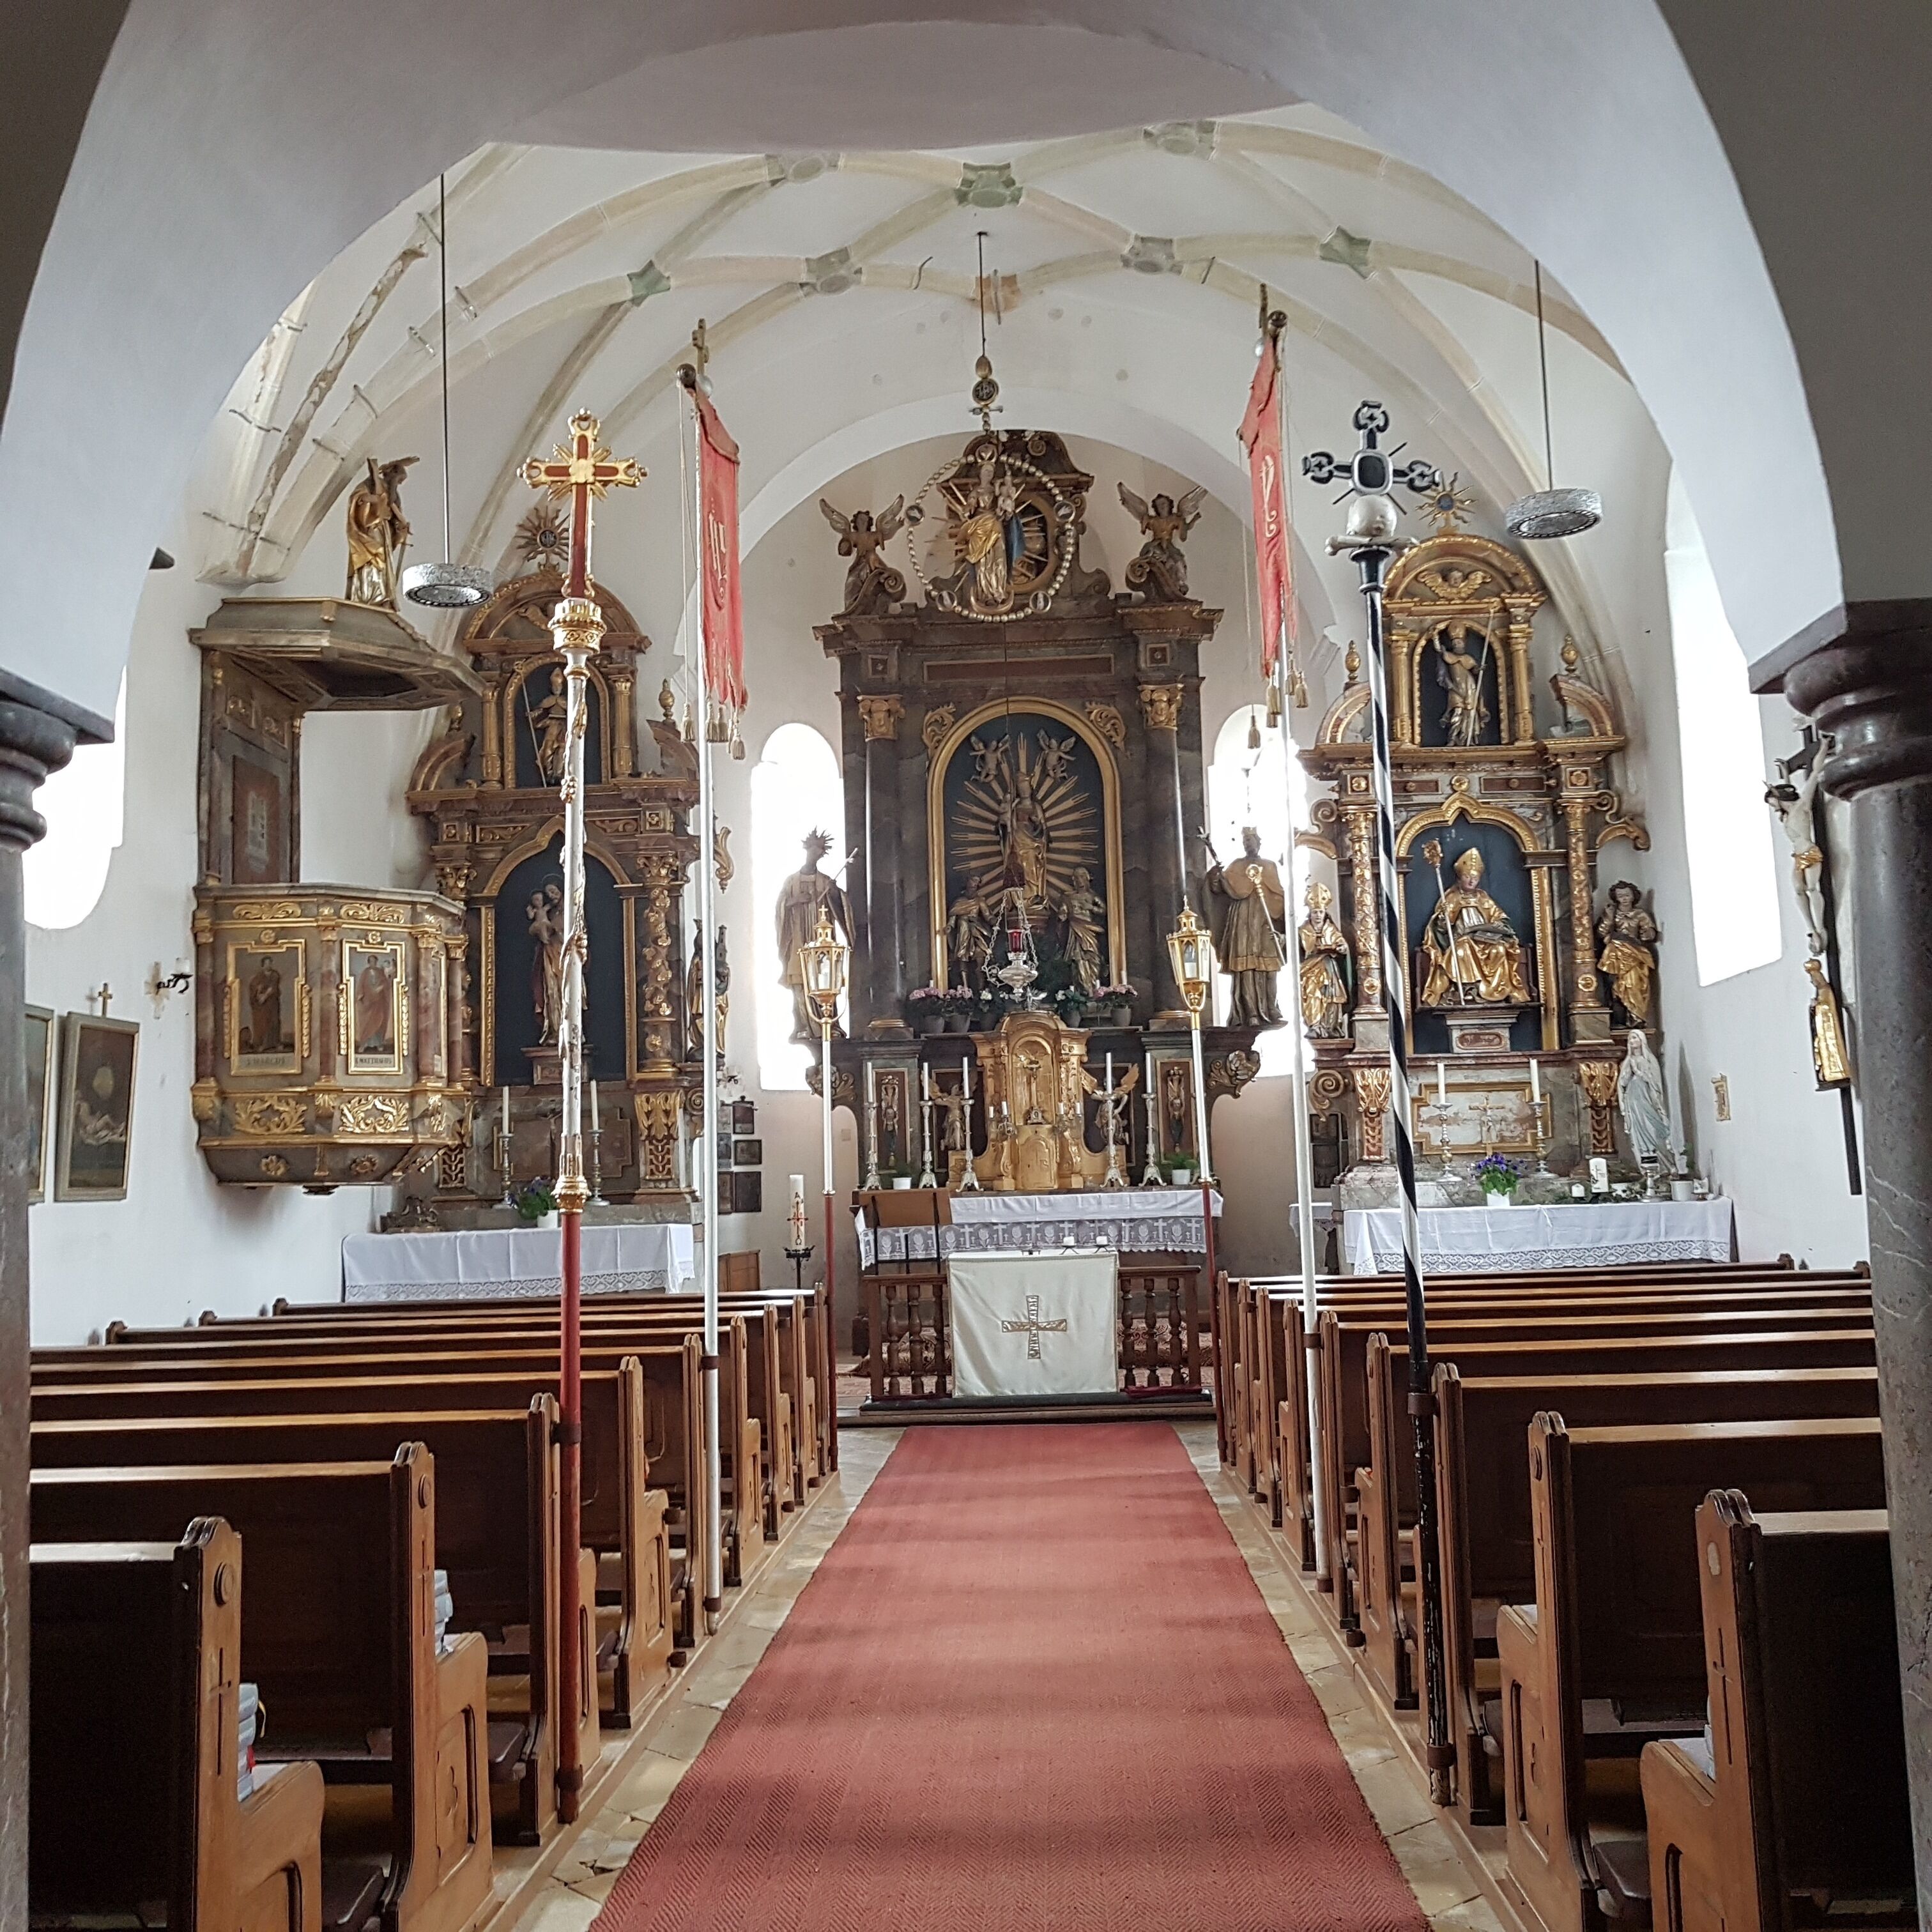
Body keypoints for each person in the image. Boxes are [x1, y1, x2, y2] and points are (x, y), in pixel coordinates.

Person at [1418, 847, 1533, 1008]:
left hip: (1486, 939)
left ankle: (1499, 992)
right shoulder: (1451, 897)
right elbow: (1441, 930)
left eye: (1475, 877)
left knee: (1499, 949)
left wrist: (1496, 927)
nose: (1472, 881)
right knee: (1461, 950)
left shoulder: (1483, 897)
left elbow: (1500, 918)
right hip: (1463, 940)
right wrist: (1443, 919)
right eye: (1467, 877)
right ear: (1460, 878)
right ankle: (1468, 990)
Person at [1206, 827, 1288, 1027]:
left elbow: (1279, 895)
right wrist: (1217, 878)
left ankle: (1272, 1007)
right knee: (1246, 968)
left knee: (1270, 967)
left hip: (1264, 921)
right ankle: (1249, 1010)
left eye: (1251, 841)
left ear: (1259, 843)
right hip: (1241, 921)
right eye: (1245, 842)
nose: (1248, 845)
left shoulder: (1269, 866)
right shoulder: (1236, 865)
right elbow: (1221, 890)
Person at [776, 830, 852, 1040]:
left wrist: (835, 893)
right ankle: (803, 1024)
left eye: (819, 852)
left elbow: (840, 906)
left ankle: (829, 1024)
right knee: (799, 984)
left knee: (826, 981)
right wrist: (796, 900)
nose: (815, 855)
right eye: (813, 850)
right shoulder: (791, 882)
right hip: (798, 940)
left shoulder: (825, 881)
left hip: (822, 942)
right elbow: (780, 908)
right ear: (806, 850)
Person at [1595, 881, 1660, 1027]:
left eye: (1627, 895)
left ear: (1633, 896)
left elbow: (1647, 935)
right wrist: (1610, 917)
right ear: (1615, 898)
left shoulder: (1640, 914)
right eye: (1620, 896)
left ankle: (1636, 1017)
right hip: (1615, 954)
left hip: (1635, 953)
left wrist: (1649, 932)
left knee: (1635, 984)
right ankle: (1620, 1019)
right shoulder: (1611, 913)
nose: (1624, 898)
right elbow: (1601, 933)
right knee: (1616, 987)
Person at [1296, 880, 1351, 1038]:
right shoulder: (1303, 931)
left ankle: (1331, 1026)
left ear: (1325, 913)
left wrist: (1341, 948)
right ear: (1310, 913)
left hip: (1328, 968)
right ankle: (1316, 1026)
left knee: (1331, 997)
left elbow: (1342, 944)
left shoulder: (1331, 929)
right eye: (1315, 912)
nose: (1318, 915)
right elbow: (1298, 950)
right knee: (1313, 994)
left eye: (1320, 912)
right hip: (1310, 969)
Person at [1616, 1026, 1673, 1168]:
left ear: (1642, 1040)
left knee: (1651, 1127)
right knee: (1637, 1129)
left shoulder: (1649, 1060)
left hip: (1647, 1098)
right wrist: (1629, 1072)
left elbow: (1655, 1083)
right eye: (1629, 1039)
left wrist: (1639, 1073)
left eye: (1634, 1038)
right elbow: (1622, 1083)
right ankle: (1646, 1166)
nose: (1631, 1041)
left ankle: (1663, 1166)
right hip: (1633, 1099)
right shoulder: (1628, 1061)